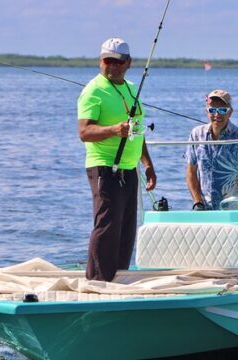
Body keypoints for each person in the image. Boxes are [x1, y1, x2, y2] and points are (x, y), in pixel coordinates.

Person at [77, 38, 157, 282]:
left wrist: (148, 164)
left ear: (128, 63)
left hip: (128, 168)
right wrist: (113, 129)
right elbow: (84, 132)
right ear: (101, 61)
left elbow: (137, 130)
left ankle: (118, 277)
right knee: (107, 226)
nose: (111, 66)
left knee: (126, 229)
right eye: (106, 61)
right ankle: (98, 281)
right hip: (104, 167)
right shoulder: (93, 91)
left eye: (116, 62)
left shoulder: (132, 89)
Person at [185, 90, 238, 210]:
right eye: (212, 110)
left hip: (234, 211)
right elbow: (191, 172)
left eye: (222, 110)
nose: (217, 115)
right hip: (204, 210)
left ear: (230, 112)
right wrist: (198, 203)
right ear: (207, 112)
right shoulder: (196, 134)